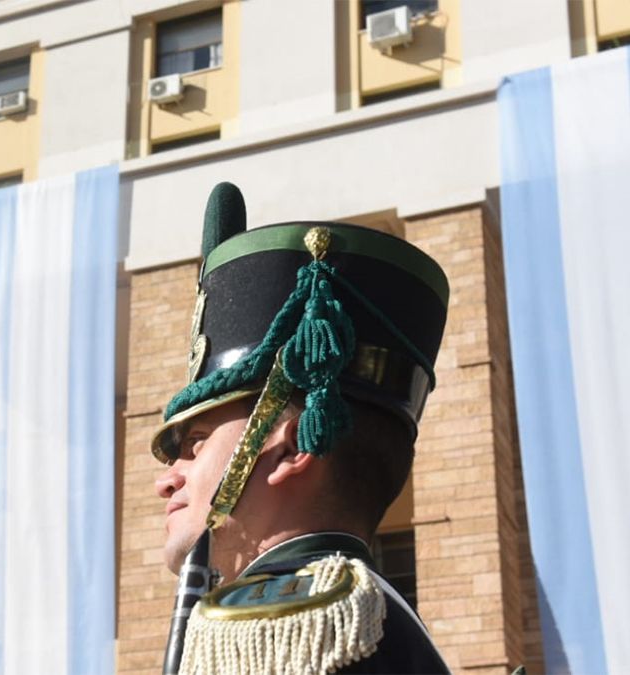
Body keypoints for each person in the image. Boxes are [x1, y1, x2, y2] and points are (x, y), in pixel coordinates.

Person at [153, 182, 451, 674]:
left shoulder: (277, 621)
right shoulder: (382, 612)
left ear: (290, 450)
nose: (166, 480)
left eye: (197, 443)